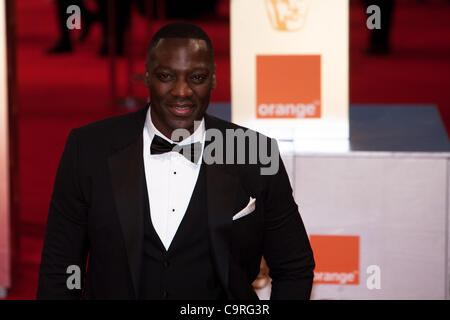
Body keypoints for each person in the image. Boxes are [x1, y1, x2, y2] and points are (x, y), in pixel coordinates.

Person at [37, 22, 315, 300]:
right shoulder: (89, 149)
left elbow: (294, 266)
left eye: (196, 77)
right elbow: (60, 269)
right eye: (166, 76)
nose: (182, 91)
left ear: (214, 80)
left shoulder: (253, 151)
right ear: (146, 77)